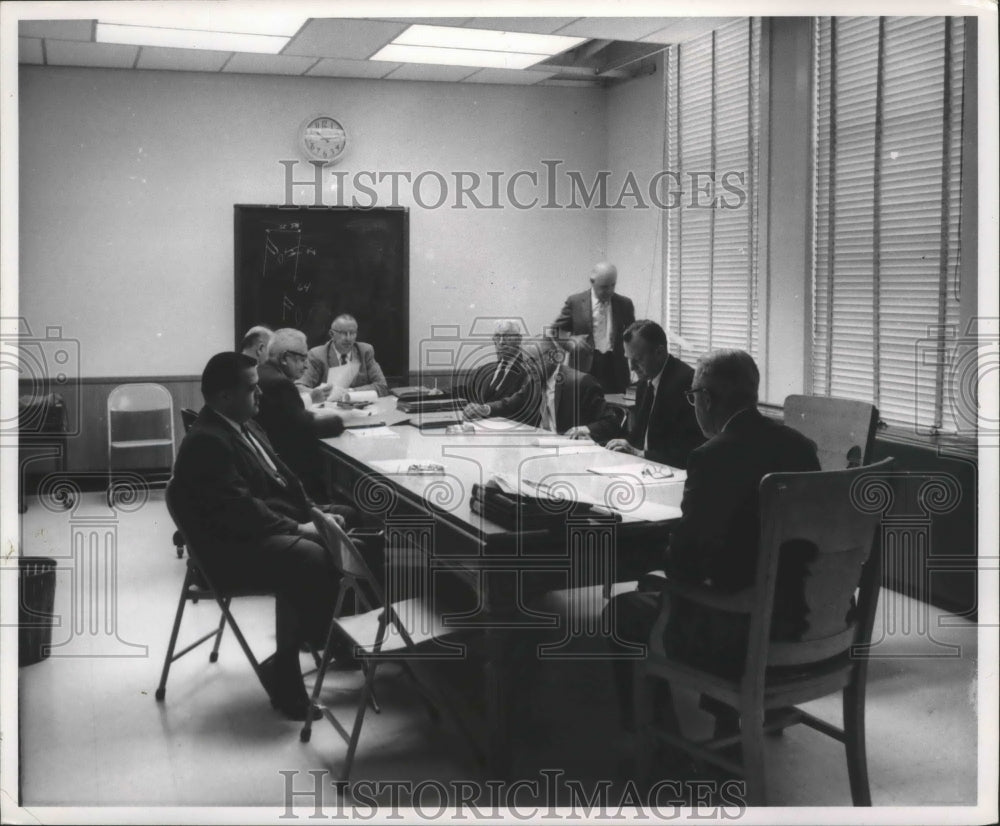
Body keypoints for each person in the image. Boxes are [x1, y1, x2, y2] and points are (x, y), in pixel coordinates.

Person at [603, 349, 820, 732]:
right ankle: (732, 719)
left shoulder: (711, 457)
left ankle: (660, 742)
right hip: (801, 621)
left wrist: (657, 562)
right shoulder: (801, 447)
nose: (693, 406)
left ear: (707, 398)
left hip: (740, 632)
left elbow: (685, 563)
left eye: (693, 397)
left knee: (625, 610)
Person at [171, 352, 352, 721]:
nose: (261, 396)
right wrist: (301, 527)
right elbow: (241, 511)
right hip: (227, 553)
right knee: (310, 556)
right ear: (224, 396)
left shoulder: (246, 425)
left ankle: (339, 638)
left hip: (256, 533)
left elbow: (284, 482)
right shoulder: (207, 441)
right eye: (252, 389)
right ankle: (291, 671)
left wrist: (316, 512)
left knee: (352, 520)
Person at [572, 320, 704, 468]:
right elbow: (636, 438)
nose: (632, 367)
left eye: (638, 359)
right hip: (645, 468)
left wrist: (640, 454)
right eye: (628, 359)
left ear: (659, 352)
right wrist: (595, 442)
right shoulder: (645, 382)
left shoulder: (686, 383)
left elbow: (689, 450)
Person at [255, 328, 351, 505]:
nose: (306, 365)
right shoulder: (280, 384)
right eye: (302, 359)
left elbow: (290, 418)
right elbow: (305, 427)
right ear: (284, 358)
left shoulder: (262, 372)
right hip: (292, 479)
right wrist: (342, 421)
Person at [465, 337, 617, 435]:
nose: (528, 368)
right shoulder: (534, 382)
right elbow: (510, 403)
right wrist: (485, 408)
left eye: (533, 361)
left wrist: (585, 429)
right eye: (526, 363)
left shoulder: (581, 382)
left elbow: (611, 422)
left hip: (568, 453)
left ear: (552, 357)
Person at [552, 262, 636, 393]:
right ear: (592, 282)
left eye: (613, 285)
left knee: (615, 411)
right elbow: (555, 330)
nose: (609, 291)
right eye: (604, 287)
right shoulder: (575, 302)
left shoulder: (625, 304)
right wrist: (570, 341)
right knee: (585, 409)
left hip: (615, 369)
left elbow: (633, 334)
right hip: (584, 369)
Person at [296, 314, 389, 398]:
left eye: (352, 333)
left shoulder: (365, 351)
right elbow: (299, 387)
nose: (348, 338)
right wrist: (318, 393)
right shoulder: (317, 354)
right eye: (343, 333)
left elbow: (382, 386)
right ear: (332, 334)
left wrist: (350, 392)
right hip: (329, 412)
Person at [460, 320, 531, 420]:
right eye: (497, 337)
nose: (501, 342)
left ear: (519, 340)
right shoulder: (484, 369)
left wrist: (485, 409)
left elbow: (517, 403)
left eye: (507, 337)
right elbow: (465, 390)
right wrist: (438, 392)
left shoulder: (528, 371)